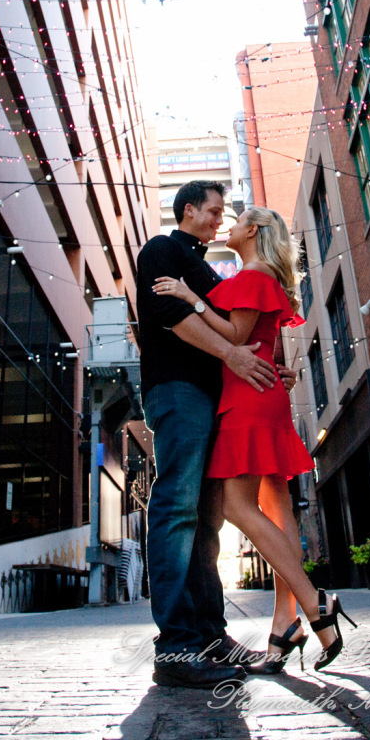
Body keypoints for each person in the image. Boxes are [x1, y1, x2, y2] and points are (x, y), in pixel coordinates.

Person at [153, 206, 357, 674]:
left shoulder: (252, 274)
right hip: (262, 395)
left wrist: (190, 297)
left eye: (238, 217)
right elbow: (263, 342)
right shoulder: (262, 276)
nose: (229, 223)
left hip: (247, 399)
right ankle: (288, 623)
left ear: (255, 231)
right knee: (277, 507)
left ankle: (313, 602)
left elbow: (235, 335)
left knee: (236, 507)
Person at [136, 181, 295, 689]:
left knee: (208, 519)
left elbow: (238, 330)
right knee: (178, 508)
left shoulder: (207, 268)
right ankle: (177, 648)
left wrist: (265, 364)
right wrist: (232, 355)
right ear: (188, 210)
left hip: (215, 400)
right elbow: (174, 318)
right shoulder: (163, 249)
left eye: (225, 212)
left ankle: (209, 636)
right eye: (213, 210)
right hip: (178, 390)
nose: (219, 219)